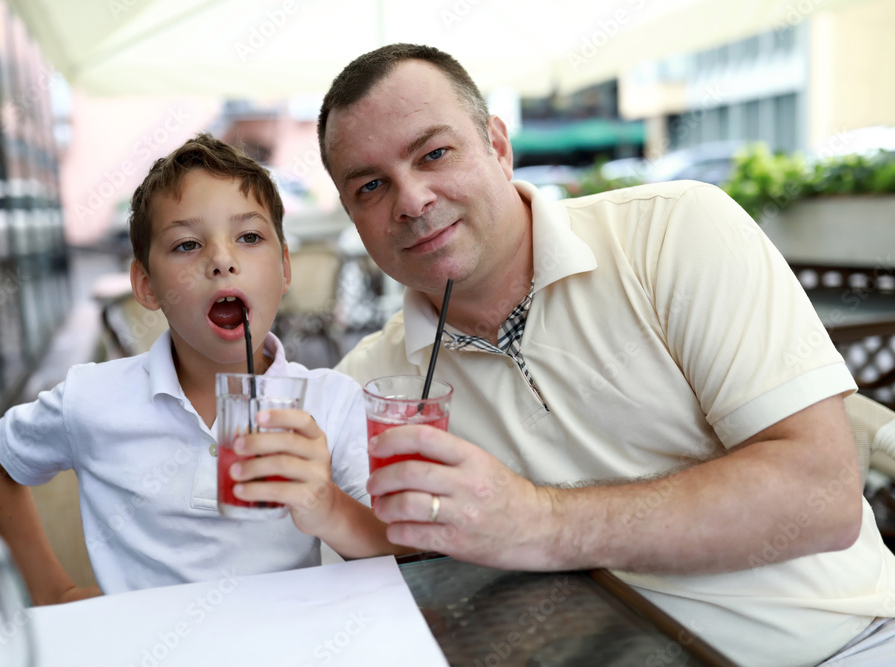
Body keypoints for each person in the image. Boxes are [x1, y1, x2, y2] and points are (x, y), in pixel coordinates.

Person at [318, 43, 895, 666]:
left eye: (434, 153)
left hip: (836, 646)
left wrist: (537, 521)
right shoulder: (372, 386)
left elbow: (821, 494)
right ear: (353, 216)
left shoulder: (674, 233)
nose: (411, 200)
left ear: (498, 146)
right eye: (371, 186)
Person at [0, 133, 405, 604]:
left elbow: (389, 546)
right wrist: (53, 592)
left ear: (283, 269)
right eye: (187, 244)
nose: (221, 260)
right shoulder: (91, 397)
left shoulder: (330, 400)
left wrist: (327, 507)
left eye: (249, 237)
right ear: (147, 285)